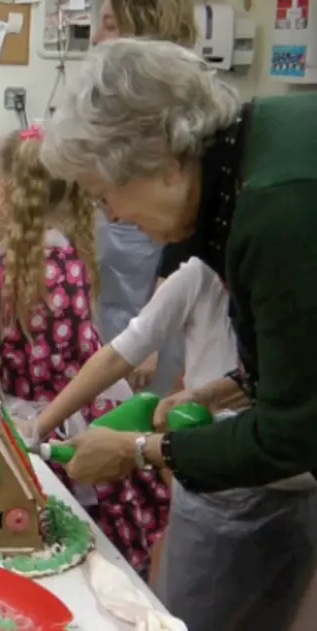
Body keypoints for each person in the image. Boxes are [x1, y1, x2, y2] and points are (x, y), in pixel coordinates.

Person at [39, 38, 317, 626]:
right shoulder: (254, 157)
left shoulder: (274, 210)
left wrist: (139, 451)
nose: (112, 216)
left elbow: (293, 432)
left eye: (105, 194)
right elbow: (294, 358)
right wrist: (215, 392)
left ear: (160, 158)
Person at [34, 257, 317, 629]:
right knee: (185, 615)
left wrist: (136, 448)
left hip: (298, 496)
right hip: (213, 488)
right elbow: (118, 355)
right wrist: (39, 428)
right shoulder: (202, 275)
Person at [0, 127, 169, 575]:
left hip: (34, 437)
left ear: (6, 192)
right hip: (92, 423)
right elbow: (7, 312)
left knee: (32, 553)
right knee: (95, 563)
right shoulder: (72, 258)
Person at [87, 0, 198, 391]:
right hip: (112, 303)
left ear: (148, 32)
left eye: (111, 25)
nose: (98, 38)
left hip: (154, 312)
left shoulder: (182, 119)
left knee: (143, 412)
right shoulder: (120, 111)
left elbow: (182, 247)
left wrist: (148, 343)